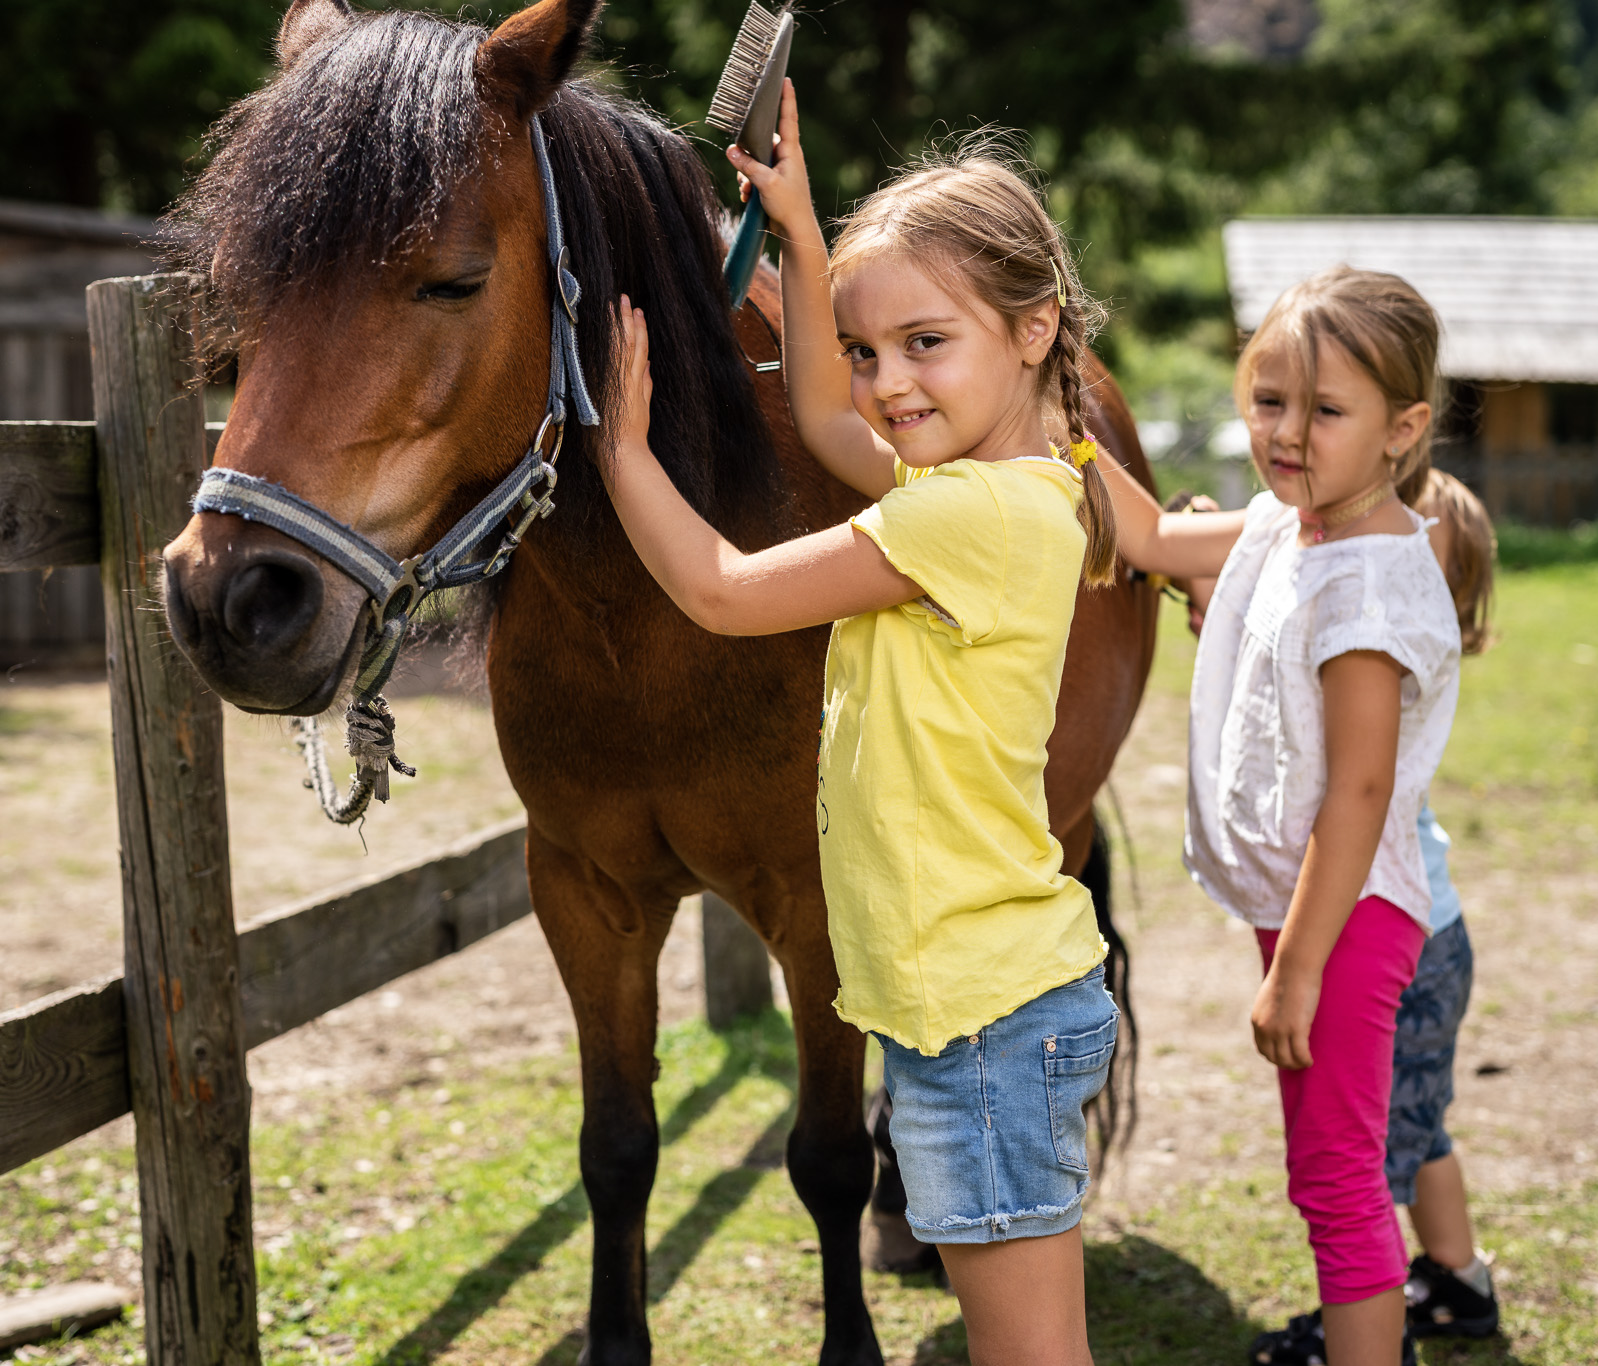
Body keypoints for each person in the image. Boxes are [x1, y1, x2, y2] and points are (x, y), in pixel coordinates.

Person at [601, 78, 1120, 1366]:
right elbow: (825, 417)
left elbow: (721, 592)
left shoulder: (955, 518)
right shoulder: (1010, 489)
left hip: (978, 1017)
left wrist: (620, 453)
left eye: (925, 345)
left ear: (1035, 325)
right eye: (871, 346)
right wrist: (798, 228)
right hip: (999, 995)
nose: (887, 385)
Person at [1088, 267, 1466, 1366]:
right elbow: (1153, 539)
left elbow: (1357, 793)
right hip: (1309, 914)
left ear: (1402, 429)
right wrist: (1057, 421)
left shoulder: (1365, 590)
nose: (1286, 435)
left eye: (1324, 410)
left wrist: (1297, 964)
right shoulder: (1282, 527)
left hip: (1342, 921)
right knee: (1323, 1171)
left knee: (1338, 1178)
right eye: (1267, 402)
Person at [1170, 469, 1504, 1360]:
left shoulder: (1373, 631)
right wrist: (1215, 570)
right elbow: (1251, 636)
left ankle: (1367, 1325)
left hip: (1394, 932)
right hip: (1436, 932)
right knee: (1418, 1128)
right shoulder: (1361, 623)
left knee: (1363, 1167)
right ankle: (1458, 1280)